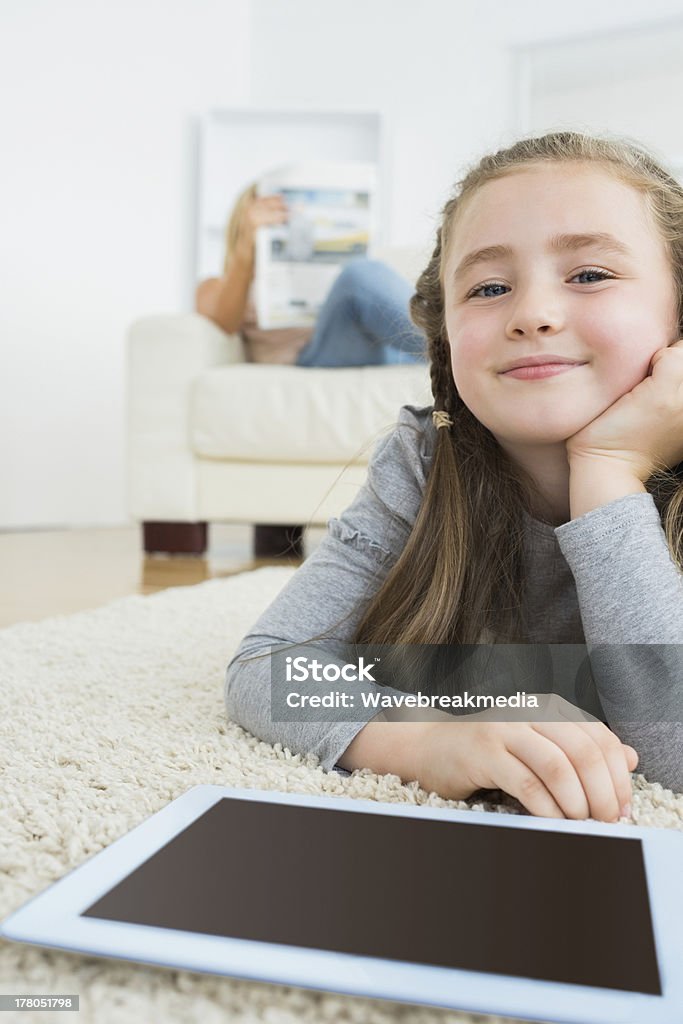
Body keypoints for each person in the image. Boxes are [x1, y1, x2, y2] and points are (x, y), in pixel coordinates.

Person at [224, 131, 683, 818]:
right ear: (444, 336)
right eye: (489, 287)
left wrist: (609, 472)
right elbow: (268, 667)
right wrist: (427, 741)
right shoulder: (422, 459)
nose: (532, 315)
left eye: (589, 274)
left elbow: (672, 750)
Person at [196, 183, 428, 557]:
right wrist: (247, 250)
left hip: (379, 348)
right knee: (359, 276)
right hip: (313, 355)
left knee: (362, 275)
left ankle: (448, 339)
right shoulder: (217, 285)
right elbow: (223, 321)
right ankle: (456, 340)